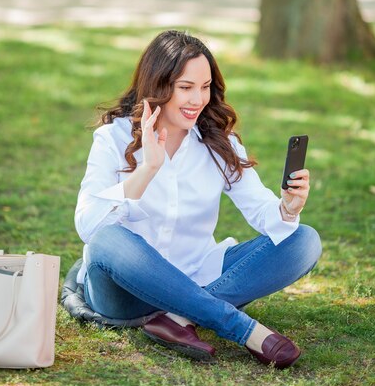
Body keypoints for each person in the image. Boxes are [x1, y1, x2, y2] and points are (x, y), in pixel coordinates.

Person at [75, 30, 322, 368]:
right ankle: (241, 328)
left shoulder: (218, 142)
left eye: (205, 87)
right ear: (159, 86)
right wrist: (147, 168)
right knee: (108, 239)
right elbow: (89, 226)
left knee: (304, 240)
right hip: (126, 292)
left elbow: (260, 208)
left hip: (197, 272)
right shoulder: (113, 138)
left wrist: (287, 209)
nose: (198, 99)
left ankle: (178, 318)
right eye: (186, 87)